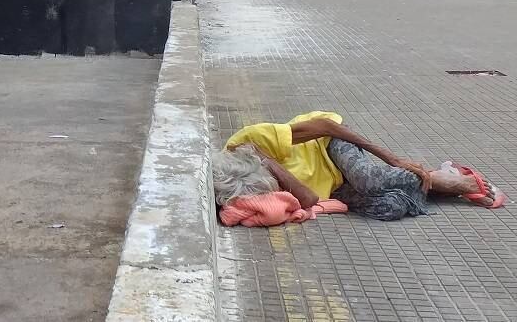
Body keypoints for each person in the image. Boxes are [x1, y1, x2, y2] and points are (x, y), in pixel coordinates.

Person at [213, 112, 507, 221]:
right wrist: (272, 170)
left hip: (329, 146)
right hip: (335, 187)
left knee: (370, 179)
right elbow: (309, 200)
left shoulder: (248, 140)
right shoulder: (241, 189)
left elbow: (325, 125)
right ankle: (434, 181)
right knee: (390, 208)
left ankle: (454, 180)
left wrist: (391, 158)